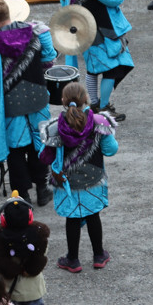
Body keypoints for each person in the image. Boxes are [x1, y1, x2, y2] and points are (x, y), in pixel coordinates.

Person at [0, 0, 56, 203]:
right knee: (39, 142)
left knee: (15, 149)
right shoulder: (37, 33)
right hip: (38, 98)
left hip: (9, 104)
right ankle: (43, 188)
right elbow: (49, 59)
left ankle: (21, 193)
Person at [40, 82, 117, 271]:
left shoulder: (54, 127)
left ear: (63, 101)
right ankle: (98, 255)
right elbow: (111, 150)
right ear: (86, 100)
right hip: (94, 179)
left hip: (67, 181)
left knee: (72, 219)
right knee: (93, 216)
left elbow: (44, 157)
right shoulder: (100, 122)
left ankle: (72, 259)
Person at [61, 0, 133, 119]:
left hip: (84, 29)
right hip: (106, 30)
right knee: (113, 69)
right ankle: (103, 107)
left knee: (93, 69)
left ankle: (94, 105)